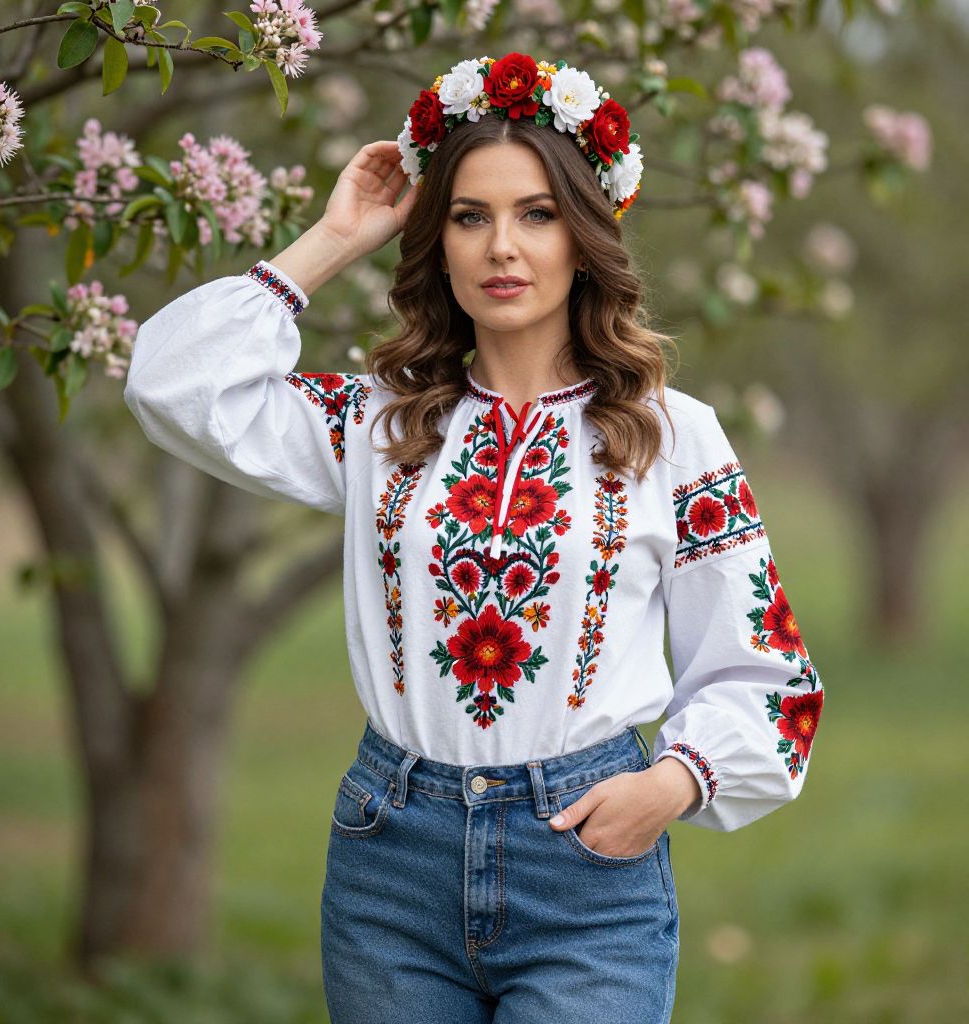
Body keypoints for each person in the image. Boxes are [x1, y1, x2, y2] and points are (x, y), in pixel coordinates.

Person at [124, 52, 824, 1024]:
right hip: (389, 865)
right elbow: (173, 384)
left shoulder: (669, 432)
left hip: (585, 864)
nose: (503, 246)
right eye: (469, 216)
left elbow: (771, 674)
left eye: (536, 214)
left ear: (584, 236)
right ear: (437, 243)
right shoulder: (379, 425)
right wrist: (333, 238)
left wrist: (673, 780)